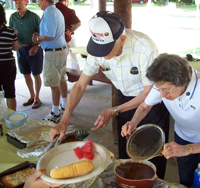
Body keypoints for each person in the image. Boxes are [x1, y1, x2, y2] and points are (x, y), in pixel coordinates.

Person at [50, 11, 170, 179]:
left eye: (106, 49)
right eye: (98, 48)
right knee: (126, 154)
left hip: (151, 105)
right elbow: (80, 85)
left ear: (122, 39)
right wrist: (65, 119)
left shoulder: (145, 47)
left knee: (151, 158)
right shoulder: (97, 48)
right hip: (124, 100)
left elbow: (148, 93)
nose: (101, 54)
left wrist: (112, 110)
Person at [121, 53, 200, 187]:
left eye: (166, 90)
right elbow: (145, 106)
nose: (161, 95)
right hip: (183, 134)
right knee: (185, 178)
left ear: (181, 81)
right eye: (159, 89)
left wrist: (187, 149)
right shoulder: (164, 84)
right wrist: (133, 122)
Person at [32, 0, 68, 123]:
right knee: (61, 79)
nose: (37, 3)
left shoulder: (49, 13)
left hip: (53, 52)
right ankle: (65, 105)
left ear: (44, 0)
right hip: (60, 50)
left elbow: (50, 35)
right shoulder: (57, 10)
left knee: (54, 83)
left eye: (38, 1)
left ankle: (56, 113)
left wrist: (37, 39)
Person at [9, 0, 43, 109]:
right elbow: (10, 33)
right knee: (25, 74)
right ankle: (32, 96)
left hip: (33, 48)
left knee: (36, 74)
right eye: (16, 3)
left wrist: (36, 46)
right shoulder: (13, 17)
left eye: (20, 2)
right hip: (20, 49)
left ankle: (37, 98)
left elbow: (42, 34)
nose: (18, 5)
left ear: (26, 3)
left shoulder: (34, 17)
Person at [0, 4, 19, 111]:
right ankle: (12, 118)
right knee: (10, 92)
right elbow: (16, 48)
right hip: (8, 65)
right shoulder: (10, 31)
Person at [55, 0, 81, 71]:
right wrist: (70, 31)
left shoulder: (53, 9)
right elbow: (78, 23)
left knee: (62, 57)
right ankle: (76, 72)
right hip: (69, 35)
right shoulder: (69, 11)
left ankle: (63, 73)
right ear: (66, 1)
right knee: (74, 55)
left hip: (57, 38)